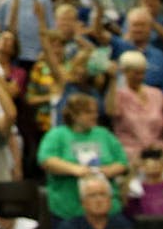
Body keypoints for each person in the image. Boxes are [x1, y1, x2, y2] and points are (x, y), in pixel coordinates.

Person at [38, 92, 130, 221]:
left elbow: (122, 161)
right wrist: (76, 170)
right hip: (67, 209)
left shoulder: (103, 134)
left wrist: (106, 171)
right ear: (74, 115)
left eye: (95, 112)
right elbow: (46, 160)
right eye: (89, 113)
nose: (95, 116)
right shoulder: (57, 135)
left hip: (108, 210)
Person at [50, 174, 133, 229]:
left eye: (103, 194)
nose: (99, 200)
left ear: (110, 200)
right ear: (83, 203)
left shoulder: (123, 226)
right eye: (92, 195)